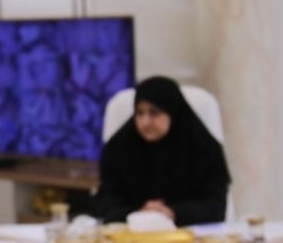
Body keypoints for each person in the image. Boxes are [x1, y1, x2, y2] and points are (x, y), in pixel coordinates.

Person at [91, 76, 231, 225]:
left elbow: (216, 208)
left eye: (154, 113)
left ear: (173, 112)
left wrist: (173, 213)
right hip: (132, 233)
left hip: (189, 232)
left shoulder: (204, 148)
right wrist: (140, 212)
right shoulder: (119, 148)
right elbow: (104, 205)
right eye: (139, 113)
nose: (145, 122)